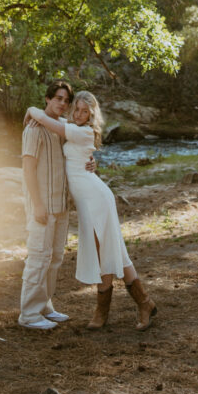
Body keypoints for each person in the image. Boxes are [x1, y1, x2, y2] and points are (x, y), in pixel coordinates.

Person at [24, 90, 157, 332]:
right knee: (113, 250)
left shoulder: (82, 131)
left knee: (103, 251)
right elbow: (58, 123)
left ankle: (103, 312)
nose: (80, 114)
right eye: (77, 109)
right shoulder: (72, 125)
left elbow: (48, 121)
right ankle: (145, 302)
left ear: (92, 115)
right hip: (87, 199)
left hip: (96, 198)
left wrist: (32, 110)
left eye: (86, 111)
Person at [18, 79, 74, 331]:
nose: (62, 103)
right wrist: (37, 205)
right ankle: (28, 314)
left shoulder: (63, 128)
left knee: (55, 258)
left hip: (61, 204)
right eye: (58, 98)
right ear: (48, 99)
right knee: (38, 258)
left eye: (66, 100)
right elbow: (28, 169)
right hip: (43, 206)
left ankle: (44, 306)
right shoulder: (33, 129)